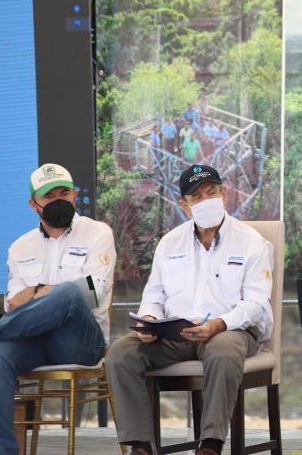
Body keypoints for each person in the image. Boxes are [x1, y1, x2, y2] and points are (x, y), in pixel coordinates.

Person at [107, 164, 274, 455]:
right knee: (121, 353)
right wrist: (149, 320)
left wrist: (219, 324)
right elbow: (154, 295)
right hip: (176, 333)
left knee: (222, 350)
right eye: (197, 196)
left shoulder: (251, 242)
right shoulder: (170, 242)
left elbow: (257, 304)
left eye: (212, 192)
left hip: (230, 331)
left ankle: (209, 444)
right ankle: (141, 445)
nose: (207, 199)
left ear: (225, 194)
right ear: (185, 205)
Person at [0, 164, 115, 453]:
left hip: (82, 341)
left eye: (64, 192)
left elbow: (94, 291)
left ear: (74, 195)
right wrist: (39, 292)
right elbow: (14, 303)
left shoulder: (98, 233)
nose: (59, 199)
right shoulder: (19, 247)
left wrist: (47, 293)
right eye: (49, 195)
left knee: (70, 294)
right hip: (36, 342)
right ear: (34, 205)